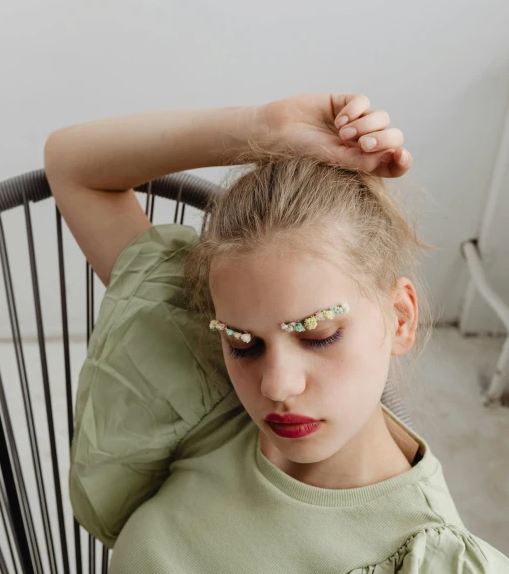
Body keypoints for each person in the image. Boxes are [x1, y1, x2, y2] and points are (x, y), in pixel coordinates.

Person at [44, 92, 509, 572]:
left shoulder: (430, 561)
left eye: (318, 335)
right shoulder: (208, 386)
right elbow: (71, 165)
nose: (276, 385)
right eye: (242, 343)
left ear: (401, 318)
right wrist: (266, 127)